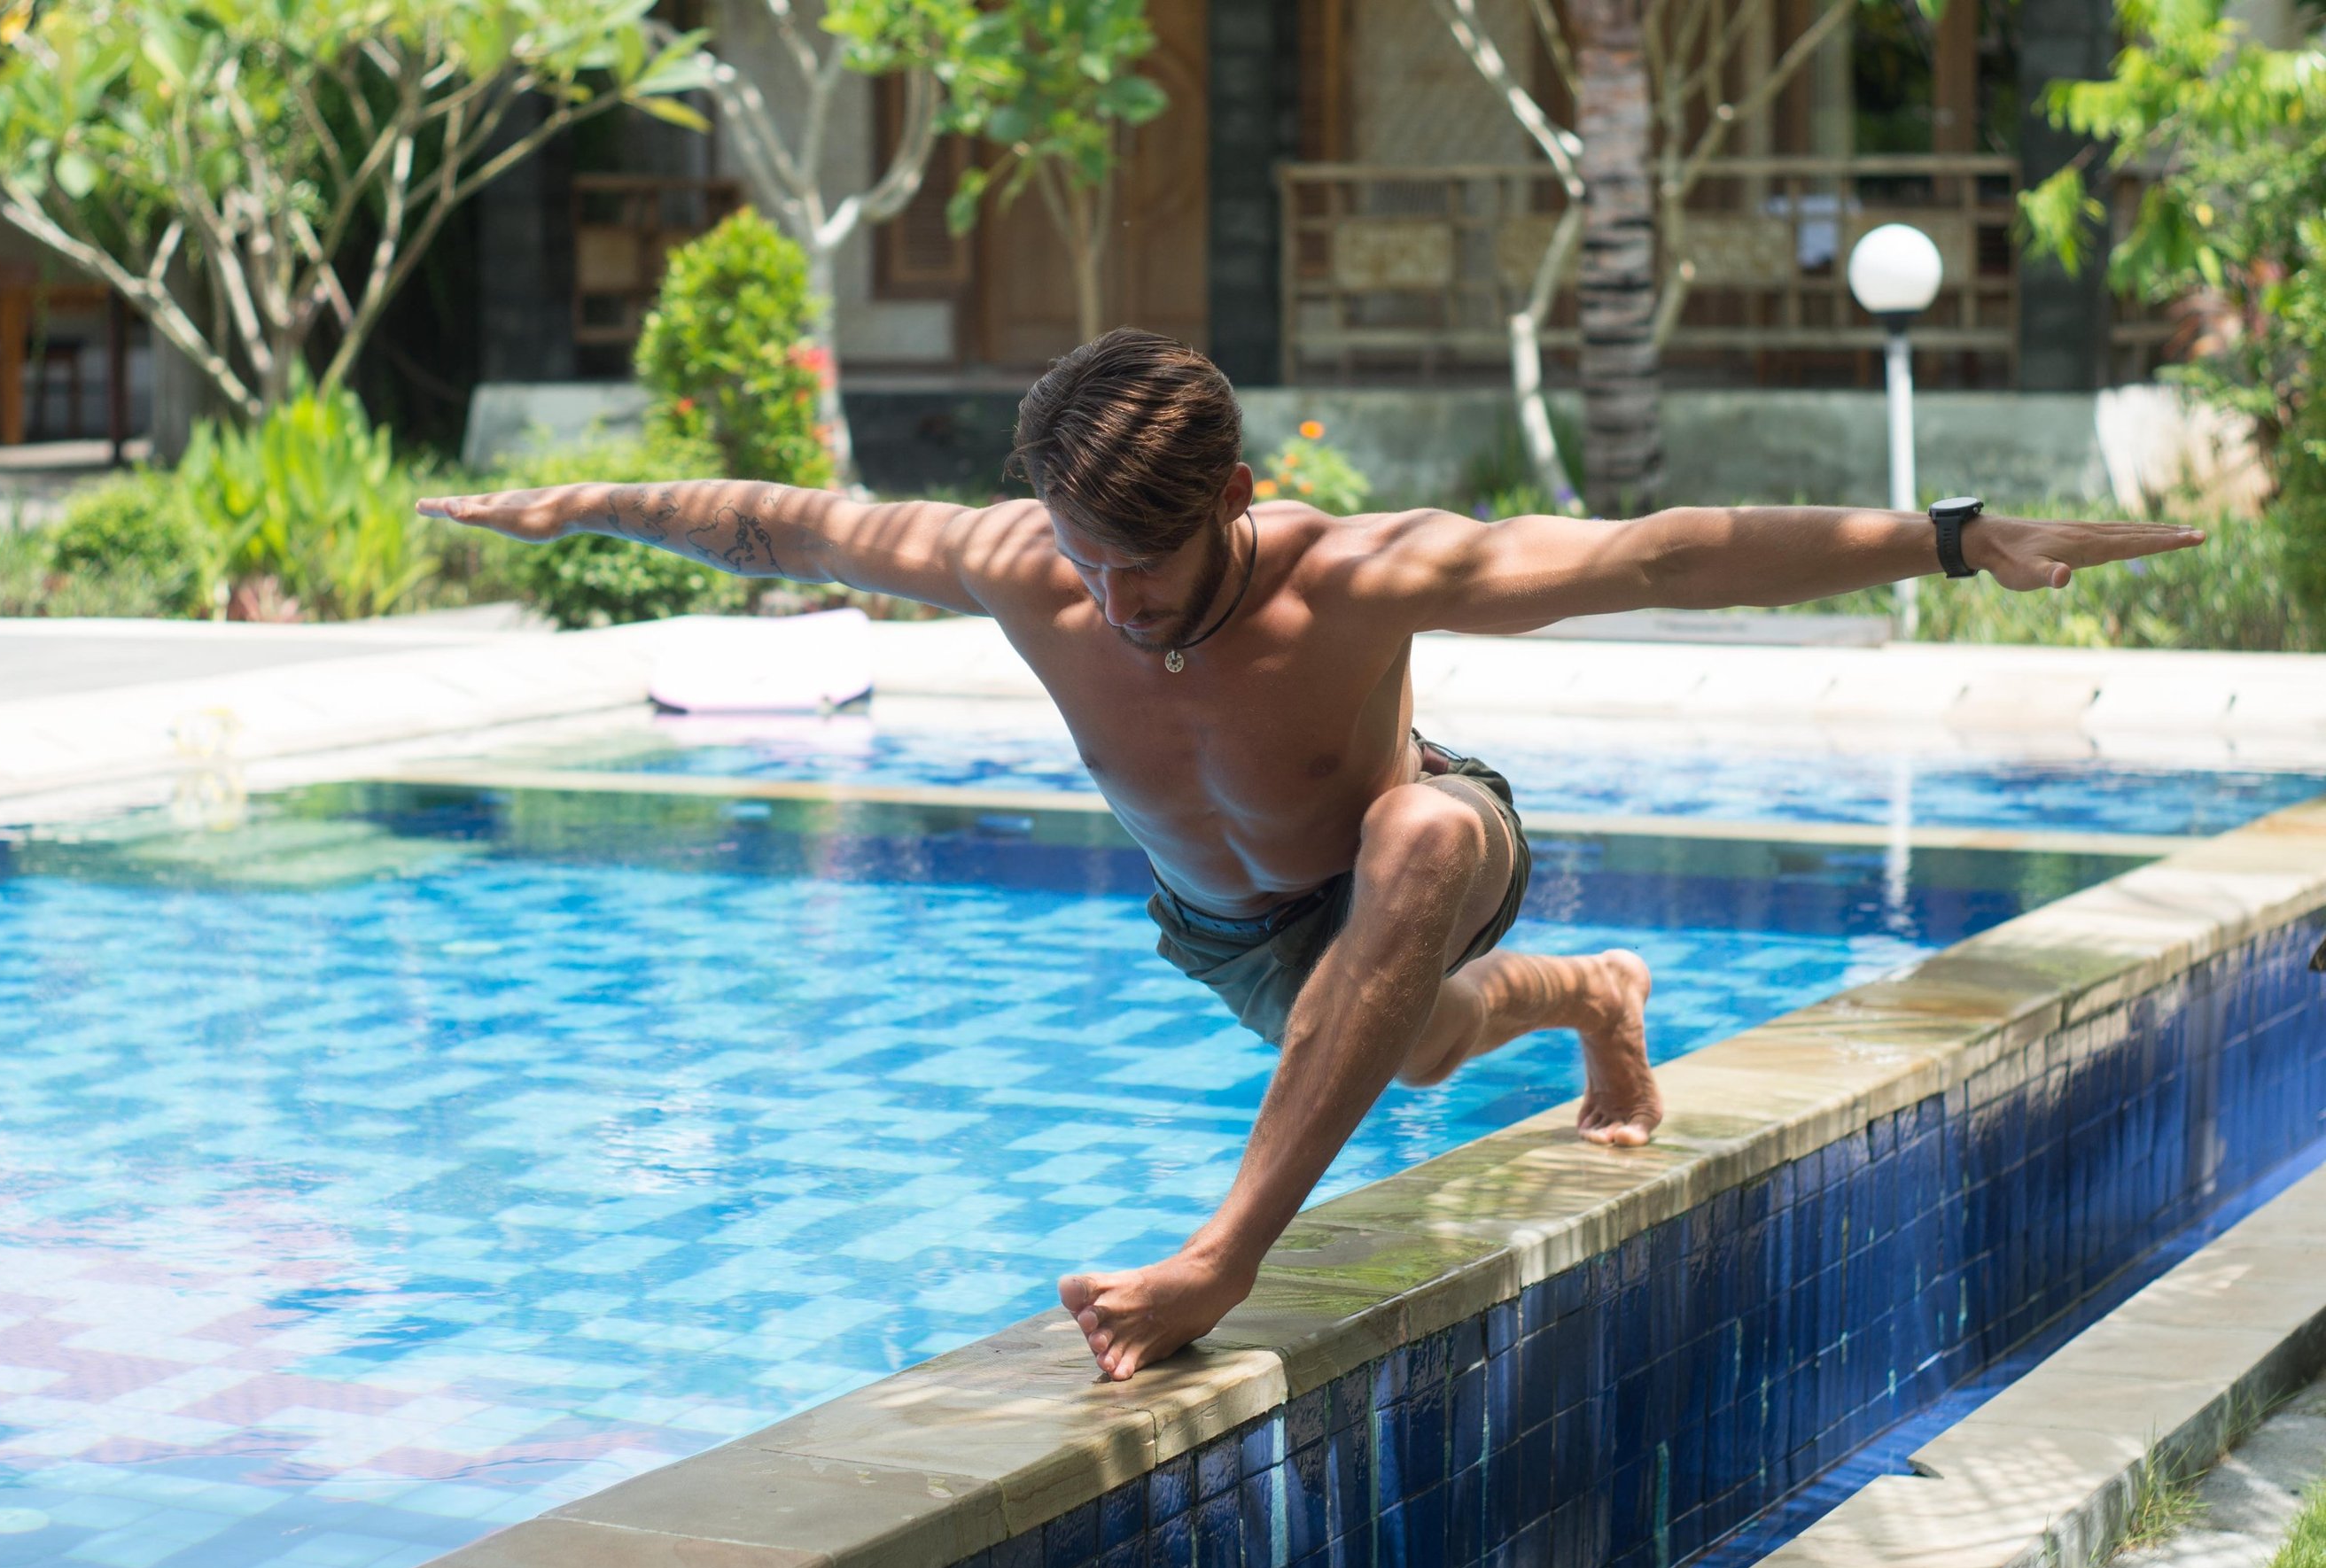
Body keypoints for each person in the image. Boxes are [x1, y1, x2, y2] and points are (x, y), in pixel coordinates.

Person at [418, 329, 2203, 1382]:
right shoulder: (1024, 565)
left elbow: (1658, 555)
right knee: (1407, 1038)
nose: (1111, 605)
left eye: (1146, 563)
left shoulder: (1355, 575)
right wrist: (585, 503)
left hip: (1423, 835)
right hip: (1238, 928)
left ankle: (1221, 1255)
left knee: (1416, 841)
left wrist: (1954, 536)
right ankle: (1594, 994)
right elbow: (786, 520)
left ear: (1232, 497)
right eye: (1080, 562)